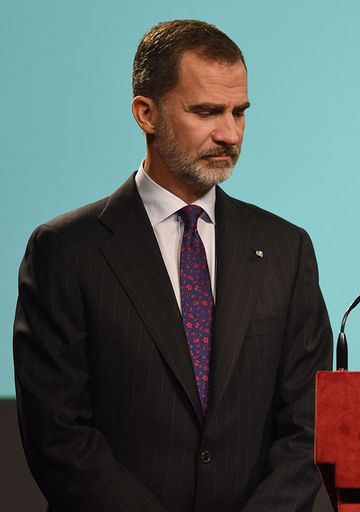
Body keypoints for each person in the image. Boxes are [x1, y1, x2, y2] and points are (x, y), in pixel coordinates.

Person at [13, 20, 332, 512]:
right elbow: (59, 436)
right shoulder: (64, 251)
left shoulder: (287, 251)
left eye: (239, 112)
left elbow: (307, 429)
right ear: (147, 113)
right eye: (207, 111)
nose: (229, 133)